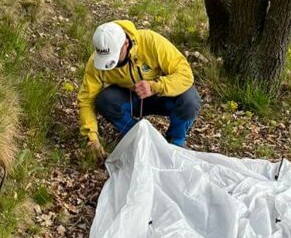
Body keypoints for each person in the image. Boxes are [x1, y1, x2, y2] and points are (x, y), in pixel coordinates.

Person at [78, 20, 201, 162]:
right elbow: (86, 100)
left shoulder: (151, 41)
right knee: (104, 101)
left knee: (190, 99)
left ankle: (176, 141)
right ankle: (140, 137)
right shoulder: (95, 63)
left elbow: (185, 74)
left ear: (125, 43)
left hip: (161, 96)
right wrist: (91, 137)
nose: (112, 63)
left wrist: (155, 86)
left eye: (115, 56)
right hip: (131, 99)